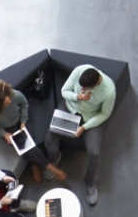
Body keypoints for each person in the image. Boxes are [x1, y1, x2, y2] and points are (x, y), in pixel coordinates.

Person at [42, 63, 114, 205]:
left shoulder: (109, 90)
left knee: (94, 153)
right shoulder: (81, 70)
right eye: (80, 86)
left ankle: (89, 183)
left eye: (85, 89)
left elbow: (105, 114)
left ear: (95, 85)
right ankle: (55, 158)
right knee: (49, 139)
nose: (81, 89)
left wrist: (85, 127)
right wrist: (77, 96)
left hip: (91, 118)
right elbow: (64, 91)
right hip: (70, 107)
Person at [0, 79, 65, 184]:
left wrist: (23, 121)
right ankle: (36, 165)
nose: (9, 101)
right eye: (5, 103)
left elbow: (24, 104)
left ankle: (45, 166)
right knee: (22, 149)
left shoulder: (14, 95)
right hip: (7, 131)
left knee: (30, 147)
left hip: (20, 123)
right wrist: (4, 134)